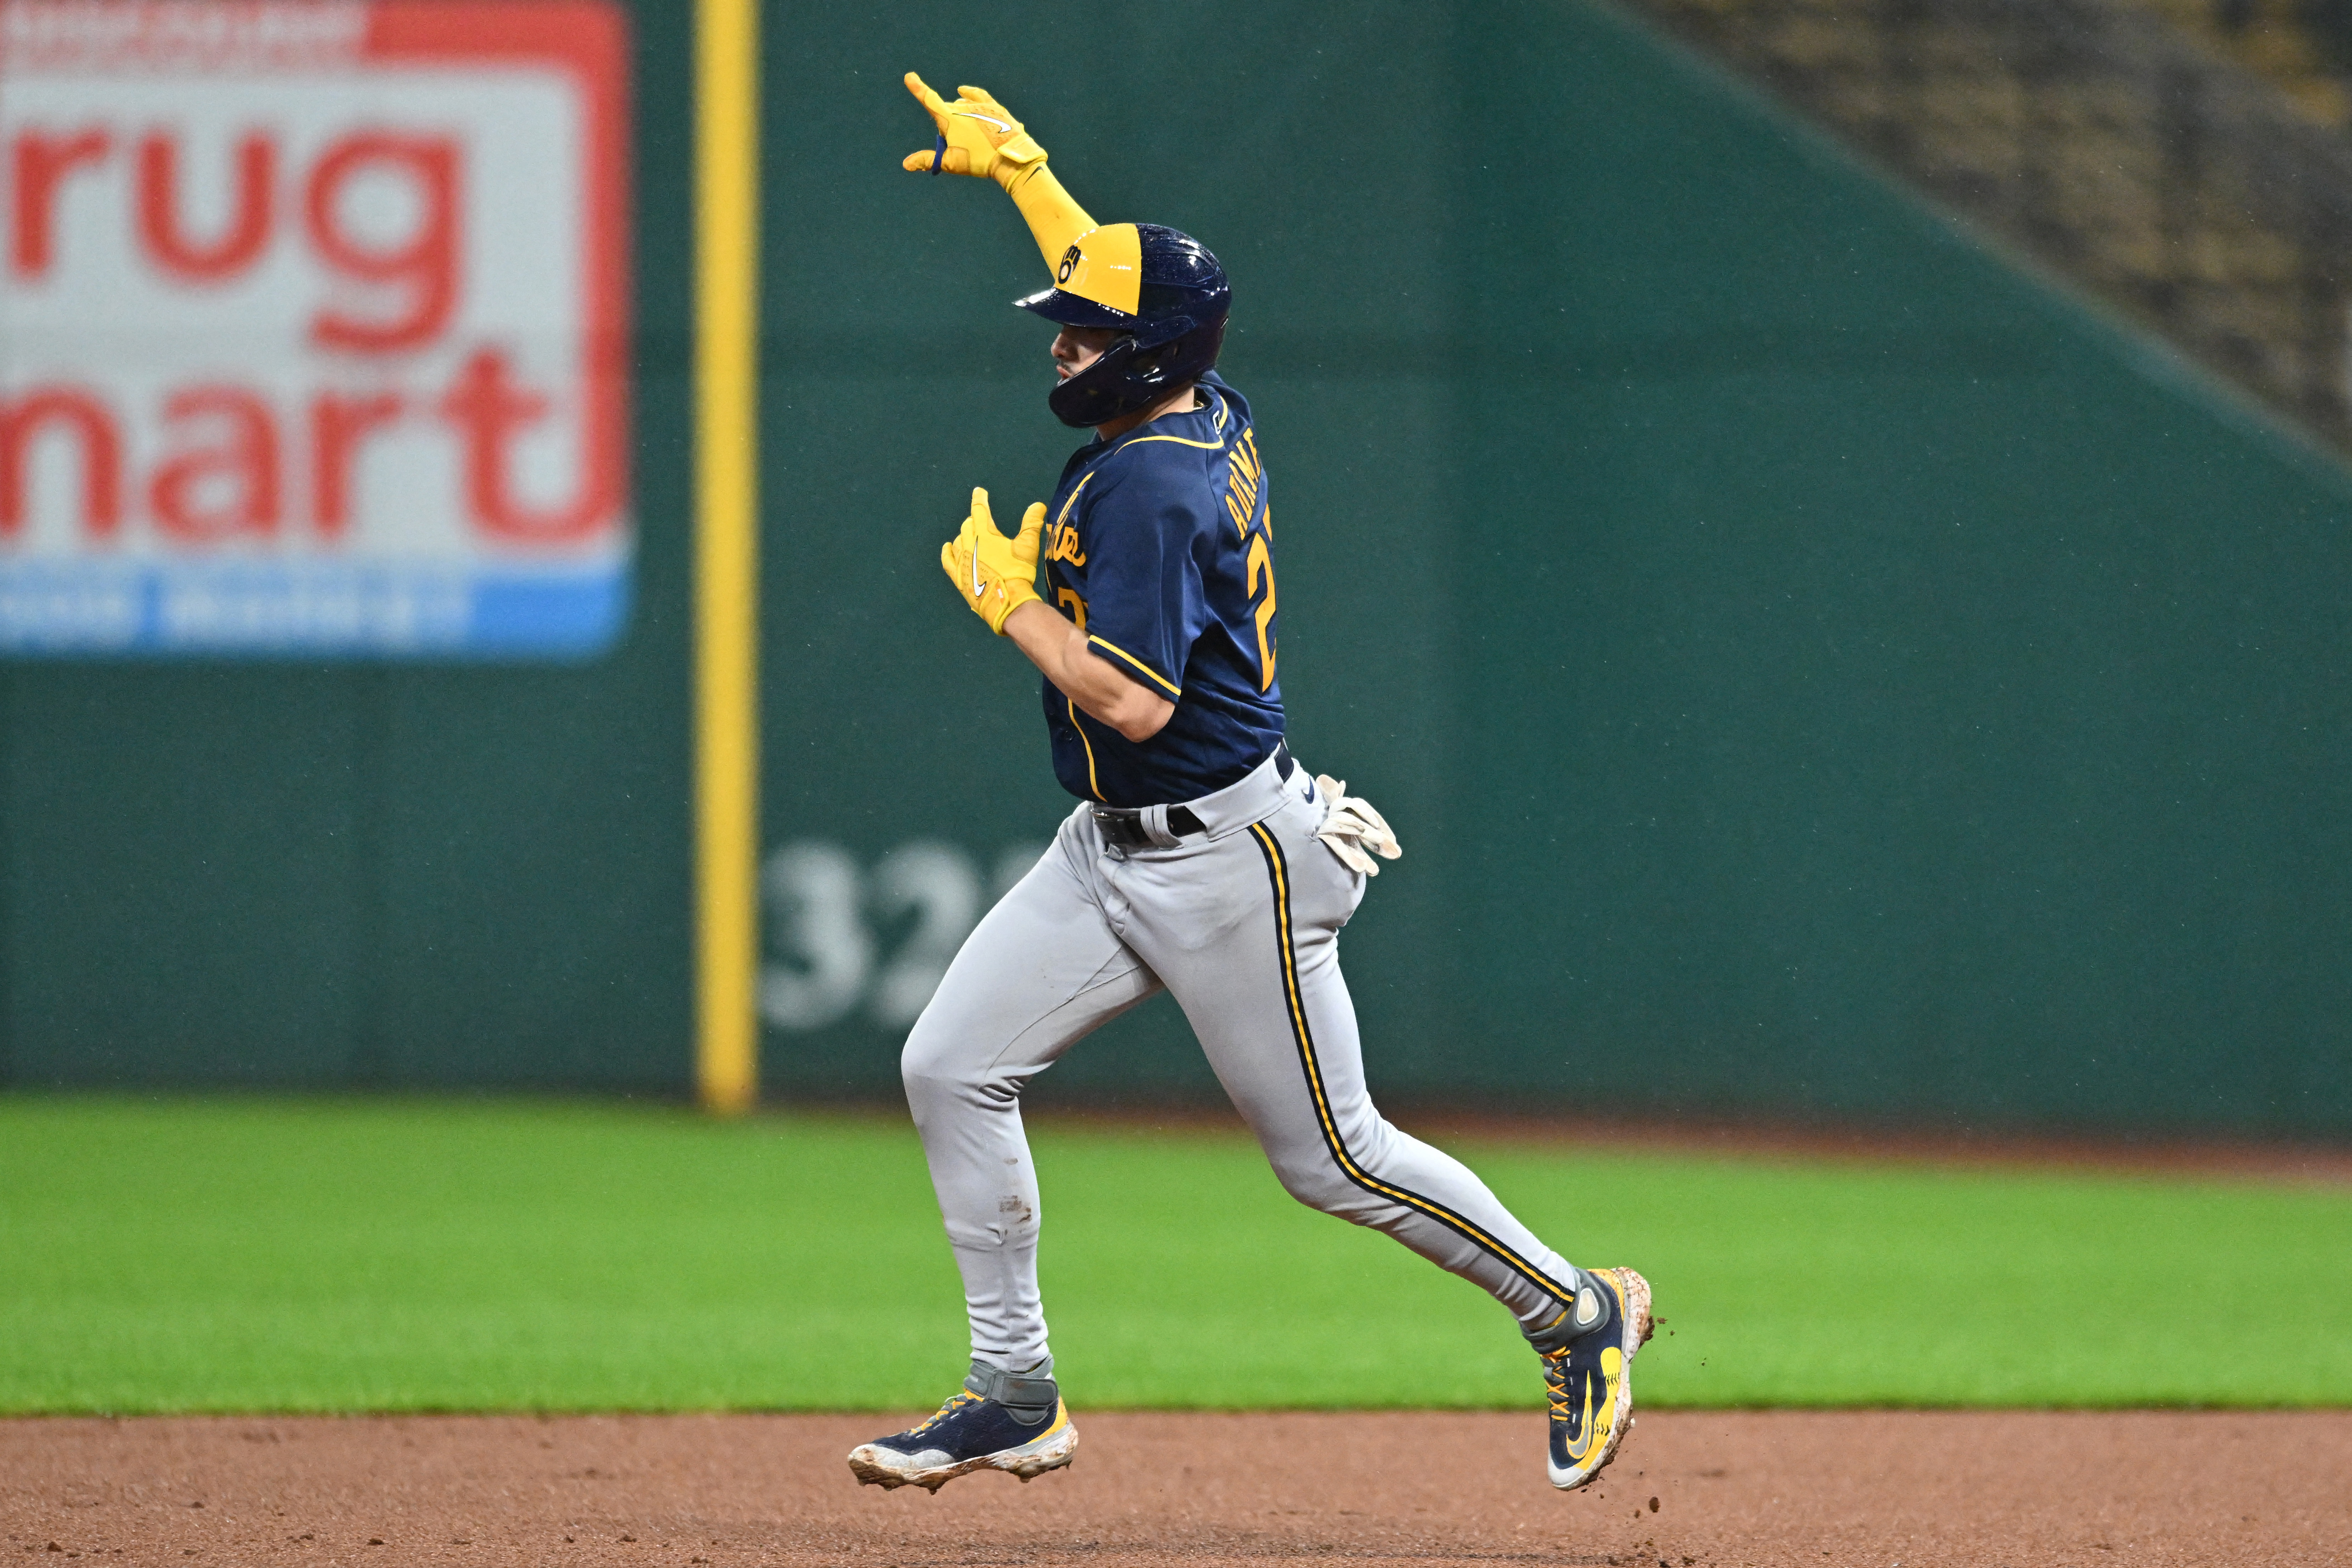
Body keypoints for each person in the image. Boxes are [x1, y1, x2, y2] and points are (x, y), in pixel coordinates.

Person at [846, 74, 1652, 1496]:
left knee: (1334, 1158)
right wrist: (1027, 172)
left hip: (1230, 860)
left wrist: (1007, 605)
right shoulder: (1190, 392)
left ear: (1143, 358)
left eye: (1087, 332)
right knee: (949, 1066)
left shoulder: (1153, 483)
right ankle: (1015, 1390)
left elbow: (1133, 698)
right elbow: (1117, 280)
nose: (1065, 344)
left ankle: (1576, 1309)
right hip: (1111, 848)